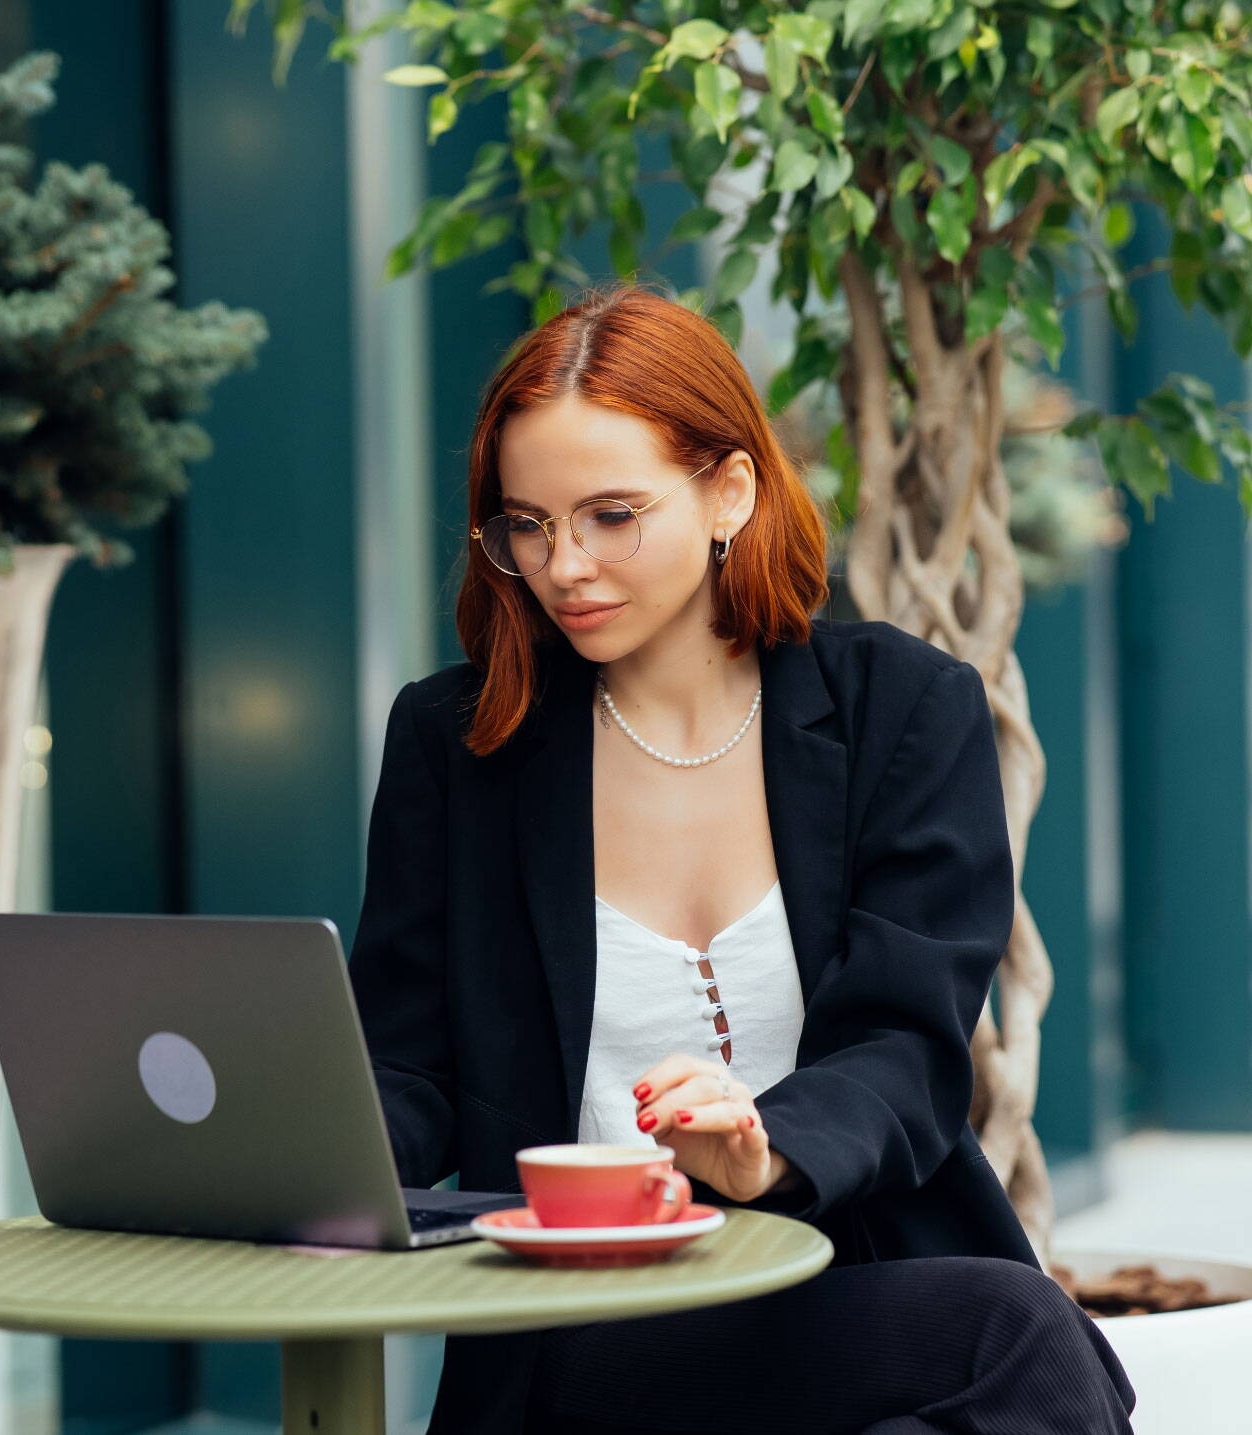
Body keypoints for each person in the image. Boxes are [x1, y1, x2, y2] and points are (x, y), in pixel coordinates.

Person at [346, 282, 1136, 1435]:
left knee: (1010, 1333)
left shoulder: (902, 712)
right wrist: (308, 1157)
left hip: (840, 1287)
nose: (563, 565)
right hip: (580, 1333)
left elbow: (907, 1051)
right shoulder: (460, 741)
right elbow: (403, 1065)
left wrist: (765, 1147)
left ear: (730, 489)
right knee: (1032, 1348)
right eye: (527, 523)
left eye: (610, 515)